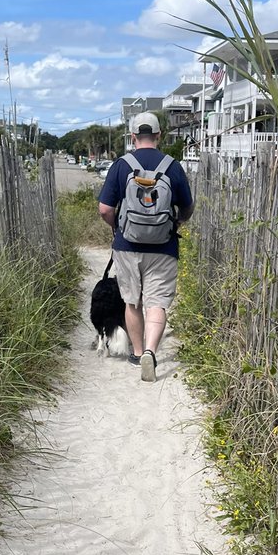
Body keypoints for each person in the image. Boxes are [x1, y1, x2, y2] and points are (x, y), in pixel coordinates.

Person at [97, 112, 194, 382]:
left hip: (127, 246)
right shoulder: (172, 166)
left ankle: (138, 352)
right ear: (159, 135)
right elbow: (187, 207)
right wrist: (176, 223)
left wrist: (116, 227)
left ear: (133, 137)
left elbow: (105, 209)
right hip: (164, 247)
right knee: (157, 304)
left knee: (132, 301)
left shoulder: (121, 165)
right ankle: (152, 351)